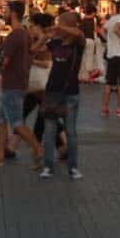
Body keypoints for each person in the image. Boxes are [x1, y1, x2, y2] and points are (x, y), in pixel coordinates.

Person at [0, 0, 43, 166]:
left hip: (12, 84)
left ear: (13, 13)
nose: (4, 14)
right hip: (20, 83)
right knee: (2, 119)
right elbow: (30, 56)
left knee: (16, 122)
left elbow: (4, 61)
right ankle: (0, 153)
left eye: (7, 11)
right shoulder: (26, 34)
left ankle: (38, 148)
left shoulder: (14, 36)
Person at [39, 9, 87, 180]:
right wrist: (46, 36)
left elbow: (78, 33)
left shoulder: (78, 44)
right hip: (52, 91)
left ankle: (73, 167)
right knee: (50, 131)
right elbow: (35, 48)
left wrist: (61, 27)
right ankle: (48, 166)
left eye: (62, 23)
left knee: (71, 131)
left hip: (70, 93)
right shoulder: (56, 43)